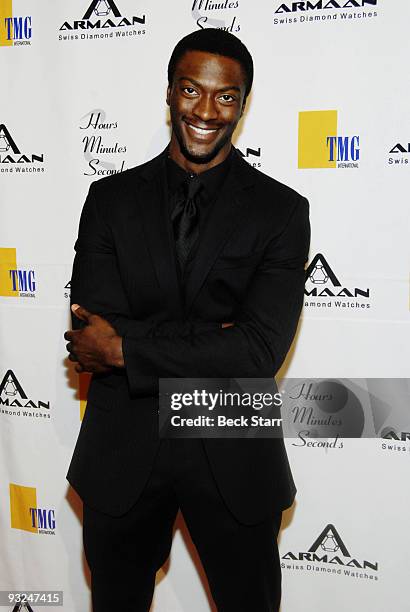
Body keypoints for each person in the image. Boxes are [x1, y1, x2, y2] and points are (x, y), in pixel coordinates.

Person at [64, 28, 310, 612]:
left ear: (243, 105)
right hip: (124, 448)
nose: (205, 110)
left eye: (225, 97)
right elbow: (90, 328)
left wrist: (127, 350)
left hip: (233, 449)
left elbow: (258, 351)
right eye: (191, 90)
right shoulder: (109, 199)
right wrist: (213, 342)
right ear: (170, 93)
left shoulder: (281, 210)